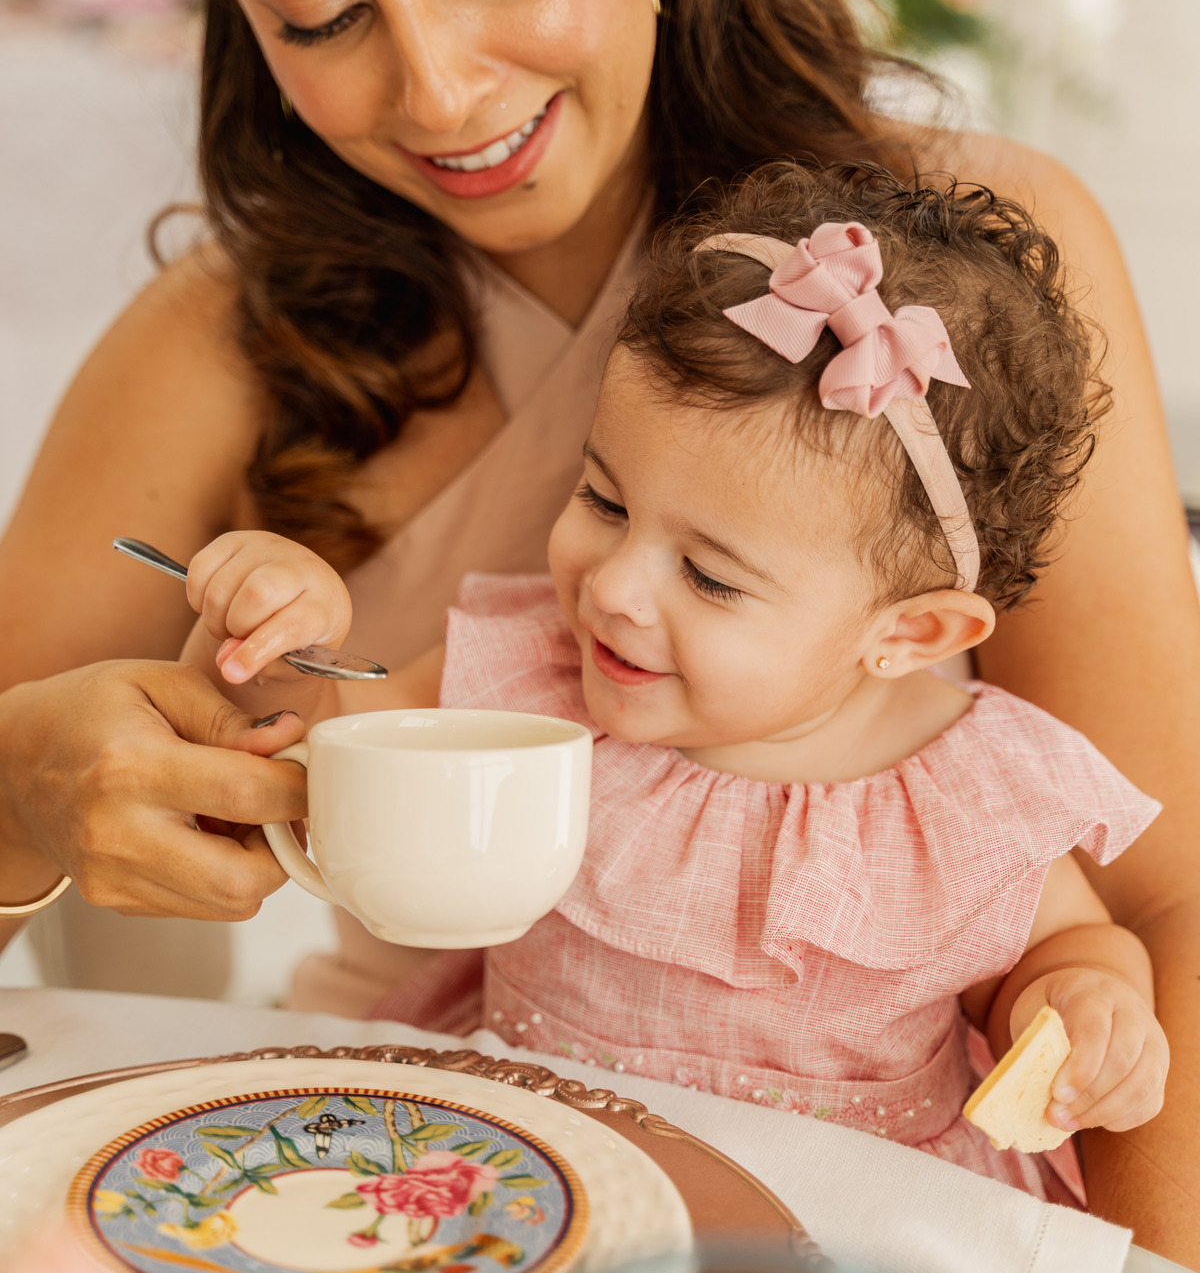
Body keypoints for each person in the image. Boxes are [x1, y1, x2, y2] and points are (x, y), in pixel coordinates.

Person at [0, 0, 1195, 1252]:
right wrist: (30, 793)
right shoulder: (208, 351)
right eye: (313, 14)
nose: (437, 92)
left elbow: (1165, 912)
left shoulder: (952, 298)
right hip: (419, 1170)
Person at [177, 162, 1169, 1204]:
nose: (613, 589)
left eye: (708, 575)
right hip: (534, 1174)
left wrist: (1087, 1002)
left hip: (845, 1221)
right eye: (605, 500)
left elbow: (1066, 944)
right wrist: (268, 630)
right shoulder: (531, 682)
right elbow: (316, 734)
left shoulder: (966, 797)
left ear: (910, 631)